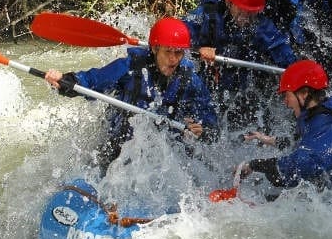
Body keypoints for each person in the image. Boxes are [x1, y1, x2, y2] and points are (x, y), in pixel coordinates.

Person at [44, 17, 219, 175]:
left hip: (166, 150)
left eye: (178, 53)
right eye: (168, 52)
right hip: (121, 144)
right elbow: (92, 81)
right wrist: (66, 81)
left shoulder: (190, 78)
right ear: (155, 49)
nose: (173, 59)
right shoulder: (129, 66)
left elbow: (210, 121)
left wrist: (203, 131)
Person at [182, 0, 297, 126]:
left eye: (251, 13)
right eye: (241, 11)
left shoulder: (261, 24)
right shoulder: (208, 12)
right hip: (207, 83)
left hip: (243, 89)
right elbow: (179, 35)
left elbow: (287, 58)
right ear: (229, 2)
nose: (246, 17)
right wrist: (198, 48)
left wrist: (296, 75)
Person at [236, 60, 332, 192]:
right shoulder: (331, 108)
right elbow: (304, 142)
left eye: (287, 95)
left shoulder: (322, 123)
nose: (285, 102)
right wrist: (263, 138)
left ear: (304, 93)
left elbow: (299, 166)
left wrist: (255, 165)